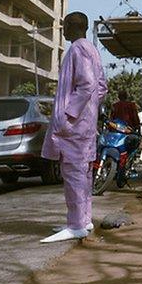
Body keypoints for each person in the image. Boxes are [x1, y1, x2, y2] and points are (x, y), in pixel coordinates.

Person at [40, 12, 107, 243]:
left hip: (75, 126)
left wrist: (70, 113)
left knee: (74, 172)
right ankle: (83, 219)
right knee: (83, 172)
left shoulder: (78, 49)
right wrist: (90, 110)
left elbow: (88, 84)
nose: (63, 30)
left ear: (70, 26)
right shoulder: (91, 50)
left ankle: (76, 224)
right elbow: (101, 88)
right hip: (84, 124)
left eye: (64, 26)